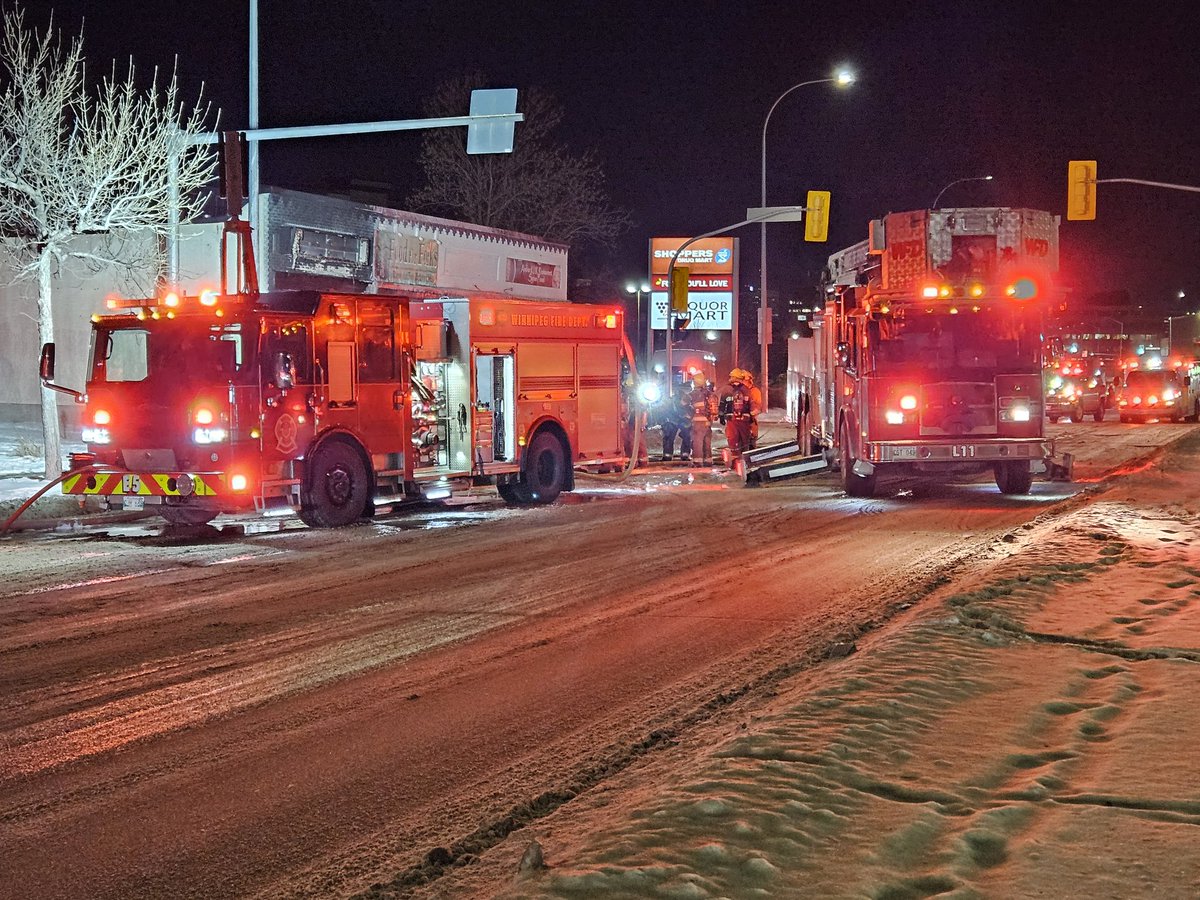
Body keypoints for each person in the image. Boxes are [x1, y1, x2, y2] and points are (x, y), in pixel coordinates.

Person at [720, 369, 758, 461]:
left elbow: (722, 404)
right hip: (745, 420)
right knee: (745, 440)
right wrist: (752, 418)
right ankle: (744, 460)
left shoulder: (726, 389)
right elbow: (752, 405)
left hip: (731, 419)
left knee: (733, 440)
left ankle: (735, 460)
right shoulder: (746, 389)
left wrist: (721, 416)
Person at [685, 372, 718, 467]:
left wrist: (688, 414)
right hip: (708, 421)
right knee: (707, 441)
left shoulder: (693, 394)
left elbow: (683, 402)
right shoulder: (709, 394)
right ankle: (708, 460)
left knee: (697, 441)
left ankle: (697, 461)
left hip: (698, 422)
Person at [659, 382, 693, 461]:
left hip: (674, 420)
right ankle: (683, 455)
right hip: (673, 420)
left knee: (672, 437)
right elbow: (681, 410)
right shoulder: (681, 399)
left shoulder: (676, 399)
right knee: (685, 436)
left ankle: (668, 456)